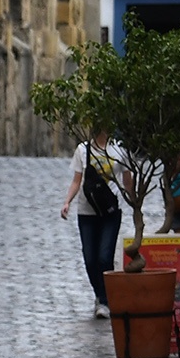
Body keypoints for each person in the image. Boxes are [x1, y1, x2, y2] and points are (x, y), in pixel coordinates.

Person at [59, 128, 129, 319]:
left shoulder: (119, 149)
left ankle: (105, 300)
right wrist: (67, 202)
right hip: (87, 211)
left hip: (111, 210)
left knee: (105, 256)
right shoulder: (83, 149)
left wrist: (134, 201)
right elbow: (77, 181)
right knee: (90, 258)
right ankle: (100, 294)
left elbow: (127, 180)